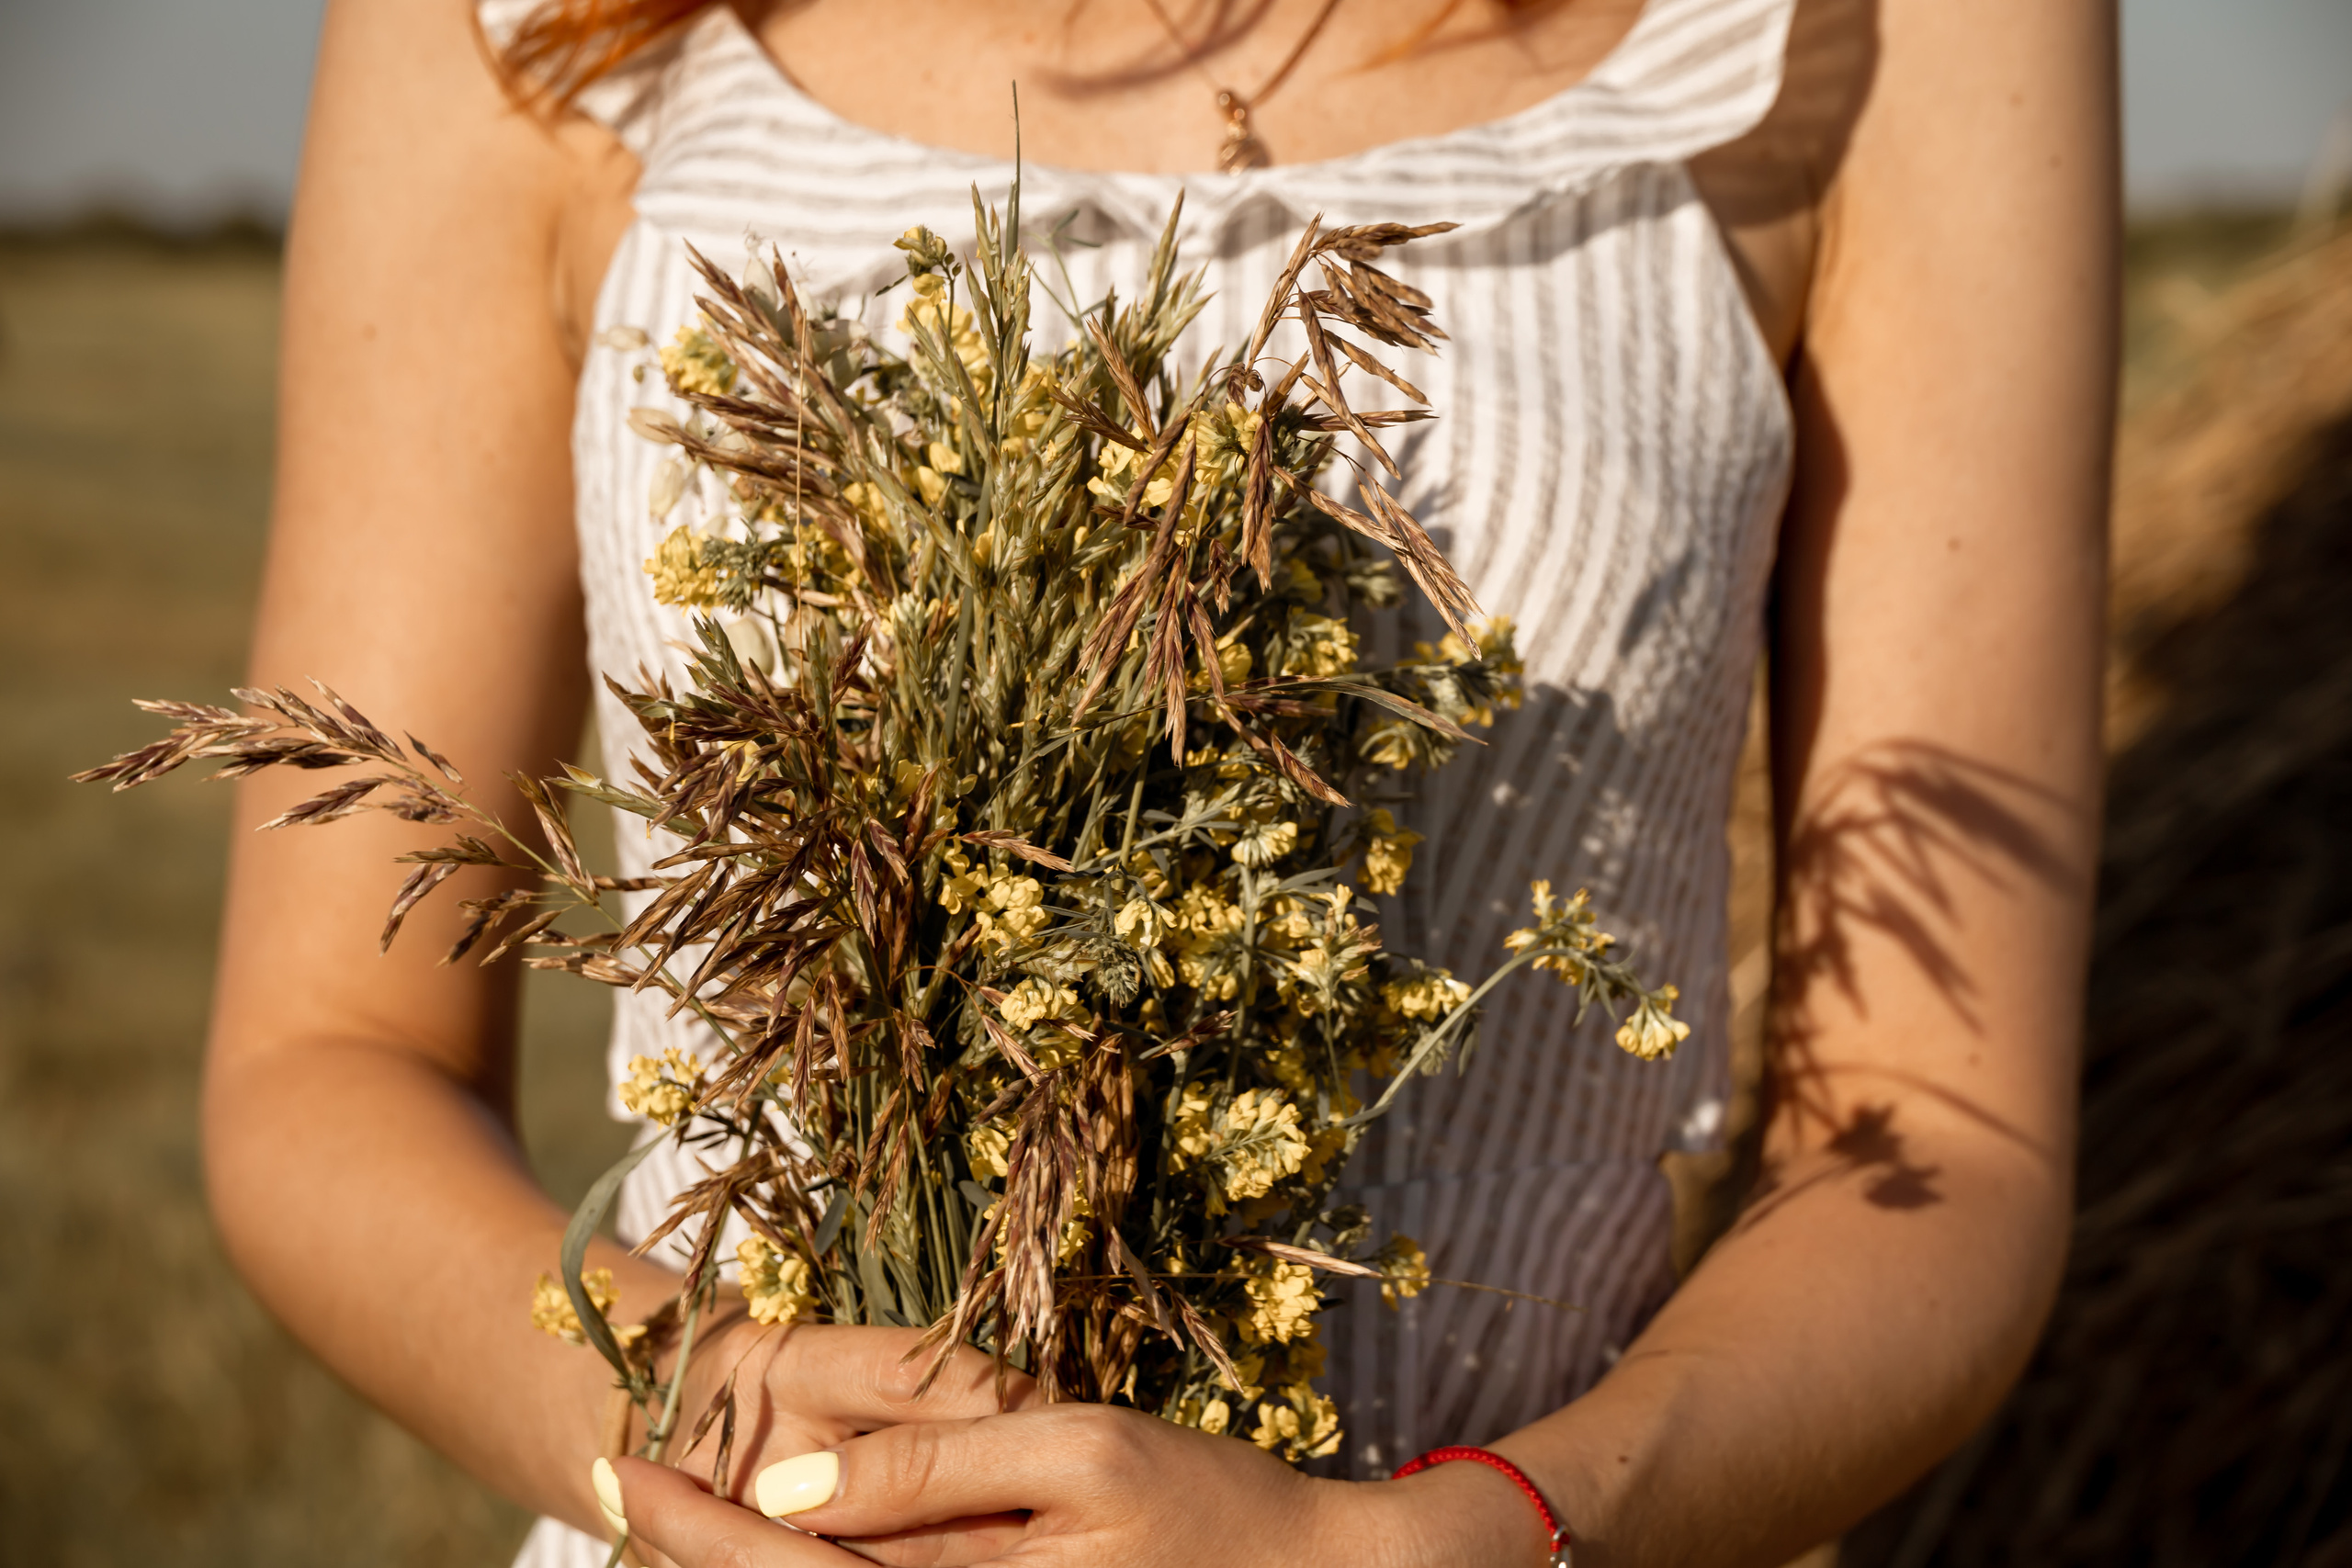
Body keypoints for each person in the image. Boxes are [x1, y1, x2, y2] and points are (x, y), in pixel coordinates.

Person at [212, 0, 2113, 1562]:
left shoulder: (1881, 33)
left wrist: (1453, 1540)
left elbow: (1936, 1126)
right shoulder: (520, 28)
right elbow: (327, 1053)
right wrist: (695, 1411)